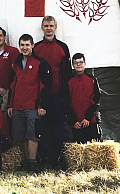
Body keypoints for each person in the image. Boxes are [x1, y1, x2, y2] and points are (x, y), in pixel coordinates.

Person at [7, 34, 52, 173]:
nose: (25, 48)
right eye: (22, 45)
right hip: (17, 106)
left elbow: (46, 86)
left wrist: (42, 105)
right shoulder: (16, 63)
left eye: (27, 45)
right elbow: (12, 86)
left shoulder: (40, 63)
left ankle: (32, 162)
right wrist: (10, 105)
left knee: (33, 135)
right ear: (19, 46)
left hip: (33, 105)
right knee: (21, 135)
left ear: (33, 45)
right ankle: (26, 161)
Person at [33, 16, 71, 168]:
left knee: (58, 127)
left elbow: (66, 74)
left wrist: (65, 97)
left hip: (57, 95)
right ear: (42, 28)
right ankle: (42, 159)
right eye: (46, 26)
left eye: (51, 26)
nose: (48, 28)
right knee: (41, 128)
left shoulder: (63, 47)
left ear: (55, 27)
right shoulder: (36, 48)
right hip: (40, 96)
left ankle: (59, 158)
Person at [63, 53, 101, 143]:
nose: (78, 65)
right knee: (79, 147)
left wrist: (88, 118)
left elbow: (96, 100)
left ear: (85, 63)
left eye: (81, 62)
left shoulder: (92, 80)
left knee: (93, 148)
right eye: (76, 63)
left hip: (90, 121)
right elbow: (66, 102)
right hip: (76, 123)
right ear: (73, 65)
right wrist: (74, 120)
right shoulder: (68, 82)